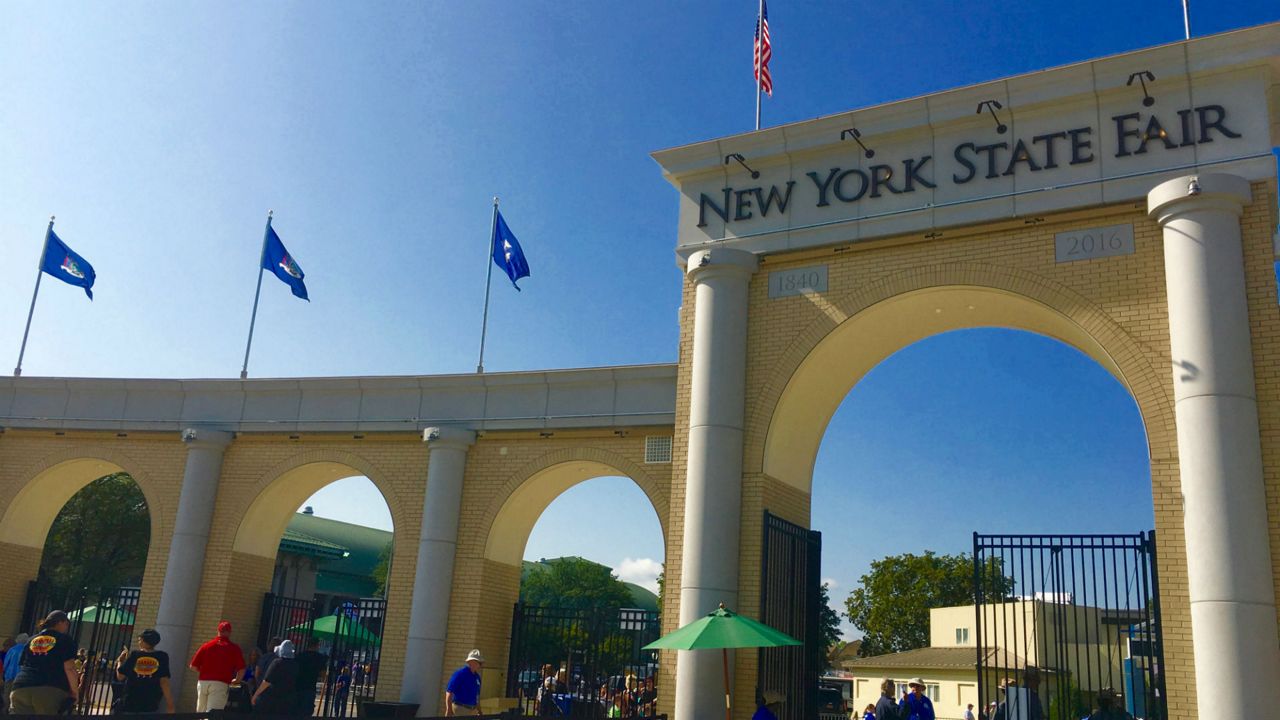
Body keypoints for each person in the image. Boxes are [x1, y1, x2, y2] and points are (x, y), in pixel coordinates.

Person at [9, 611, 79, 715]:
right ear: (60, 622)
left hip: (20, 687)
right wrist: (75, 692)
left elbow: (22, 665)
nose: (67, 627)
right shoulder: (64, 640)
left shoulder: (31, 640)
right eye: (66, 624)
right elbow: (69, 668)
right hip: (50, 688)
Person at [189, 620, 246, 712]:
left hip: (203, 682)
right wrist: (237, 680)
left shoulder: (206, 646)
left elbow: (193, 666)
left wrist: (206, 671)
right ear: (229, 632)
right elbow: (241, 669)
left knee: (200, 712)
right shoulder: (234, 648)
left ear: (218, 631)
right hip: (220, 683)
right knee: (214, 713)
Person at [114, 628, 175, 714]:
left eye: (139, 640)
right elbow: (164, 681)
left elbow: (120, 677)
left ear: (142, 640)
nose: (138, 642)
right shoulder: (162, 656)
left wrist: (120, 662)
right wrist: (170, 703)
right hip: (151, 701)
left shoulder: (135, 655)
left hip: (131, 700)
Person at [251, 640, 298, 715]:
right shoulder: (295, 665)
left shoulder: (277, 663)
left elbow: (266, 681)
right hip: (288, 699)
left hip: (274, 698)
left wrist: (256, 695)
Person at [293, 637, 328, 716]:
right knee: (306, 712)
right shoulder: (320, 658)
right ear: (317, 645)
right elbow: (323, 674)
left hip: (297, 686)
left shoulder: (300, 656)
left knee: (295, 712)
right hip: (310, 687)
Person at [444, 649, 484, 717]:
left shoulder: (477, 677)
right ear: (470, 662)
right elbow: (449, 692)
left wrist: (479, 711)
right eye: (478, 662)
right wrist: (449, 709)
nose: (480, 665)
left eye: (481, 663)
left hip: (473, 709)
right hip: (460, 708)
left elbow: (476, 696)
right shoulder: (460, 674)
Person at [2, 635, 26, 715]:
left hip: (10, 675)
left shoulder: (12, 650)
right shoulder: (27, 649)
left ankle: (4, 712)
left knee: (7, 695)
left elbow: (6, 663)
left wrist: (4, 673)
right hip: (21, 677)